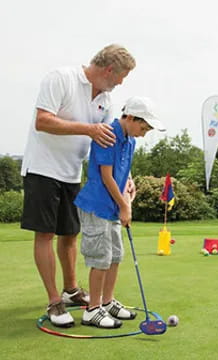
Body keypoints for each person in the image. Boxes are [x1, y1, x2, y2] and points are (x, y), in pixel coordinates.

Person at [20, 44, 136, 327]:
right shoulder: (61, 78)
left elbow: (110, 142)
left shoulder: (106, 100)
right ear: (109, 70)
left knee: (70, 234)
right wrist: (87, 129)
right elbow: (42, 121)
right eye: (121, 76)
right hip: (42, 168)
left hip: (72, 172)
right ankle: (53, 301)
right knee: (45, 234)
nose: (121, 82)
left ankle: (70, 290)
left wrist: (126, 176)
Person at [74, 96, 165, 328]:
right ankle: (92, 309)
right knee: (101, 258)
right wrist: (124, 206)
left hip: (113, 206)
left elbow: (122, 168)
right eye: (143, 128)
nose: (143, 134)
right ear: (131, 118)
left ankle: (107, 301)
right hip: (97, 205)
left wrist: (129, 184)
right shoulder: (108, 134)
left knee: (115, 255)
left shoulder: (130, 140)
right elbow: (106, 175)